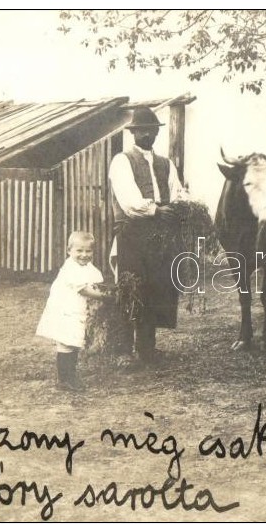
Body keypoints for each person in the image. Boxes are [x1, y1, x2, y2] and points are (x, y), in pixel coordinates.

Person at [108, 106, 185, 368]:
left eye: (151, 130)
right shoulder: (122, 160)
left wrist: (180, 207)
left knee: (155, 289)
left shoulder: (165, 163)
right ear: (133, 133)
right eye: (141, 130)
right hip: (132, 232)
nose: (147, 135)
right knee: (131, 289)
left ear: (156, 133)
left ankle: (147, 348)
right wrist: (154, 210)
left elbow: (177, 192)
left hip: (159, 235)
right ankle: (123, 350)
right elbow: (129, 200)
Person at [36, 231, 108, 390]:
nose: (84, 255)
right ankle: (65, 379)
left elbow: (96, 281)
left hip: (75, 311)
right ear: (69, 251)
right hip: (65, 311)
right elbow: (84, 290)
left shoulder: (88, 267)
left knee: (73, 342)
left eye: (88, 251)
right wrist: (105, 296)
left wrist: (103, 289)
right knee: (66, 342)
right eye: (79, 251)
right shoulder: (70, 268)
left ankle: (70, 375)